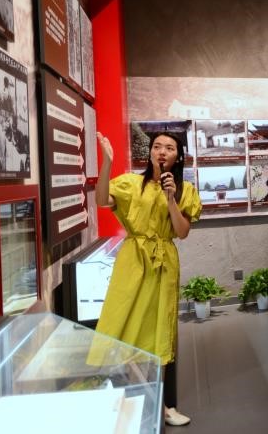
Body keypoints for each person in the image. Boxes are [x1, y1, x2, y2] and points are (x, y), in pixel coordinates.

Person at [92, 131, 202, 427]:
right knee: (122, 324)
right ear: (150, 152)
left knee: (158, 332)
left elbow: (182, 232)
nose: (162, 151)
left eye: (169, 148)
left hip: (163, 263)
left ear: (178, 156)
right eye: (157, 146)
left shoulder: (185, 190)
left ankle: (161, 406)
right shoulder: (130, 183)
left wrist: (170, 199)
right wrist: (107, 162)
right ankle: (128, 398)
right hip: (133, 261)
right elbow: (101, 200)